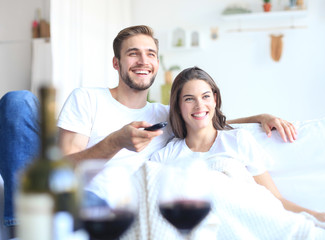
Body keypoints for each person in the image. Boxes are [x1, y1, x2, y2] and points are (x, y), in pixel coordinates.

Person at [0, 25, 295, 235]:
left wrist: (261, 116)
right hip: (78, 196)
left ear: (156, 62)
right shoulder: (87, 98)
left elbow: (203, 117)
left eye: (151, 54)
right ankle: (21, 227)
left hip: (123, 206)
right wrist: (115, 141)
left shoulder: (163, 115)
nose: (143, 61)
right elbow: (62, 167)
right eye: (133, 54)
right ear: (116, 63)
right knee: (18, 101)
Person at [150, 66, 325, 238]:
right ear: (177, 105)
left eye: (205, 96)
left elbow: (273, 199)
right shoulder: (165, 156)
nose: (199, 105)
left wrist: (317, 216)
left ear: (214, 99)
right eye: (189, 99)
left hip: (251, 222)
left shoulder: (238, 140)